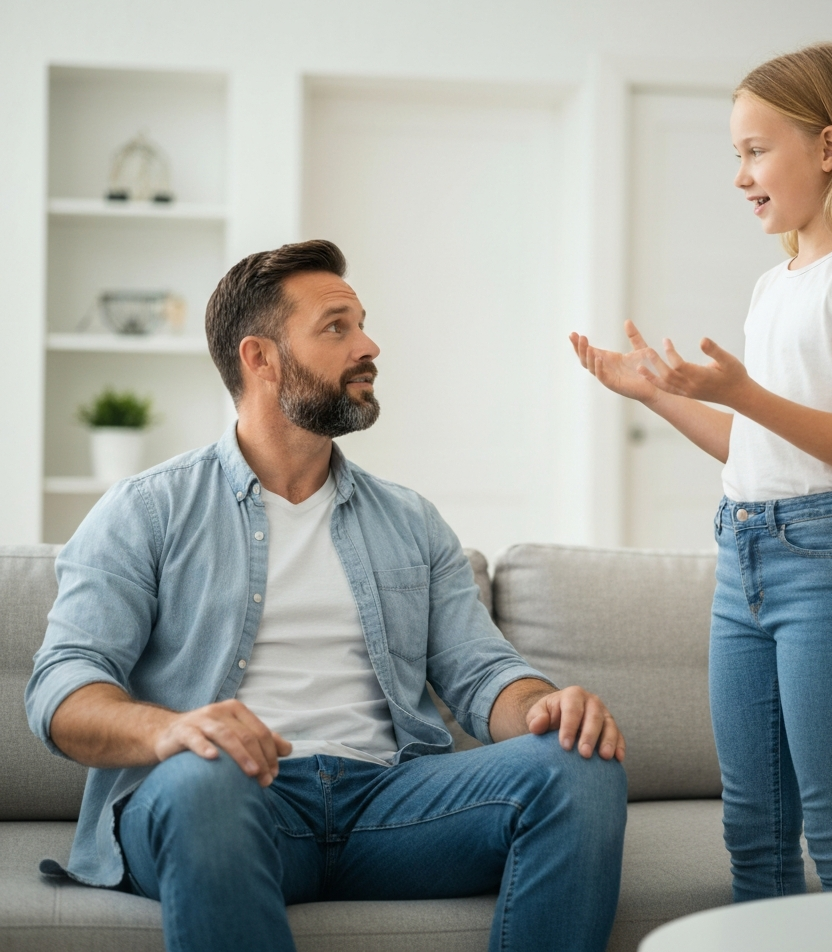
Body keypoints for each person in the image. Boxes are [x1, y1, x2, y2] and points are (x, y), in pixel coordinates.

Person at [26, 239, 628, 952]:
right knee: (202, 782)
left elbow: (481, 672)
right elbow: (62, 687)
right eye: (337, 327)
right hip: (228, 797)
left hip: (390, 804)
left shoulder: (409, 520)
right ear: (260, 358)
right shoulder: (145, 511)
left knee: (577, 763)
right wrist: (170, 733)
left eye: (362, 323)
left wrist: (542, 706)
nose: (369, 345)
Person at [571, 43, 832, 901]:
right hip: (744, 560)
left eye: (754, 149)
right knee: (752, 833)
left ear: (829, 147)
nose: (740, 175)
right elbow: (759, 452)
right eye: (735, 154)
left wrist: (745, 391)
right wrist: (659, 395)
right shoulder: (775, 283)